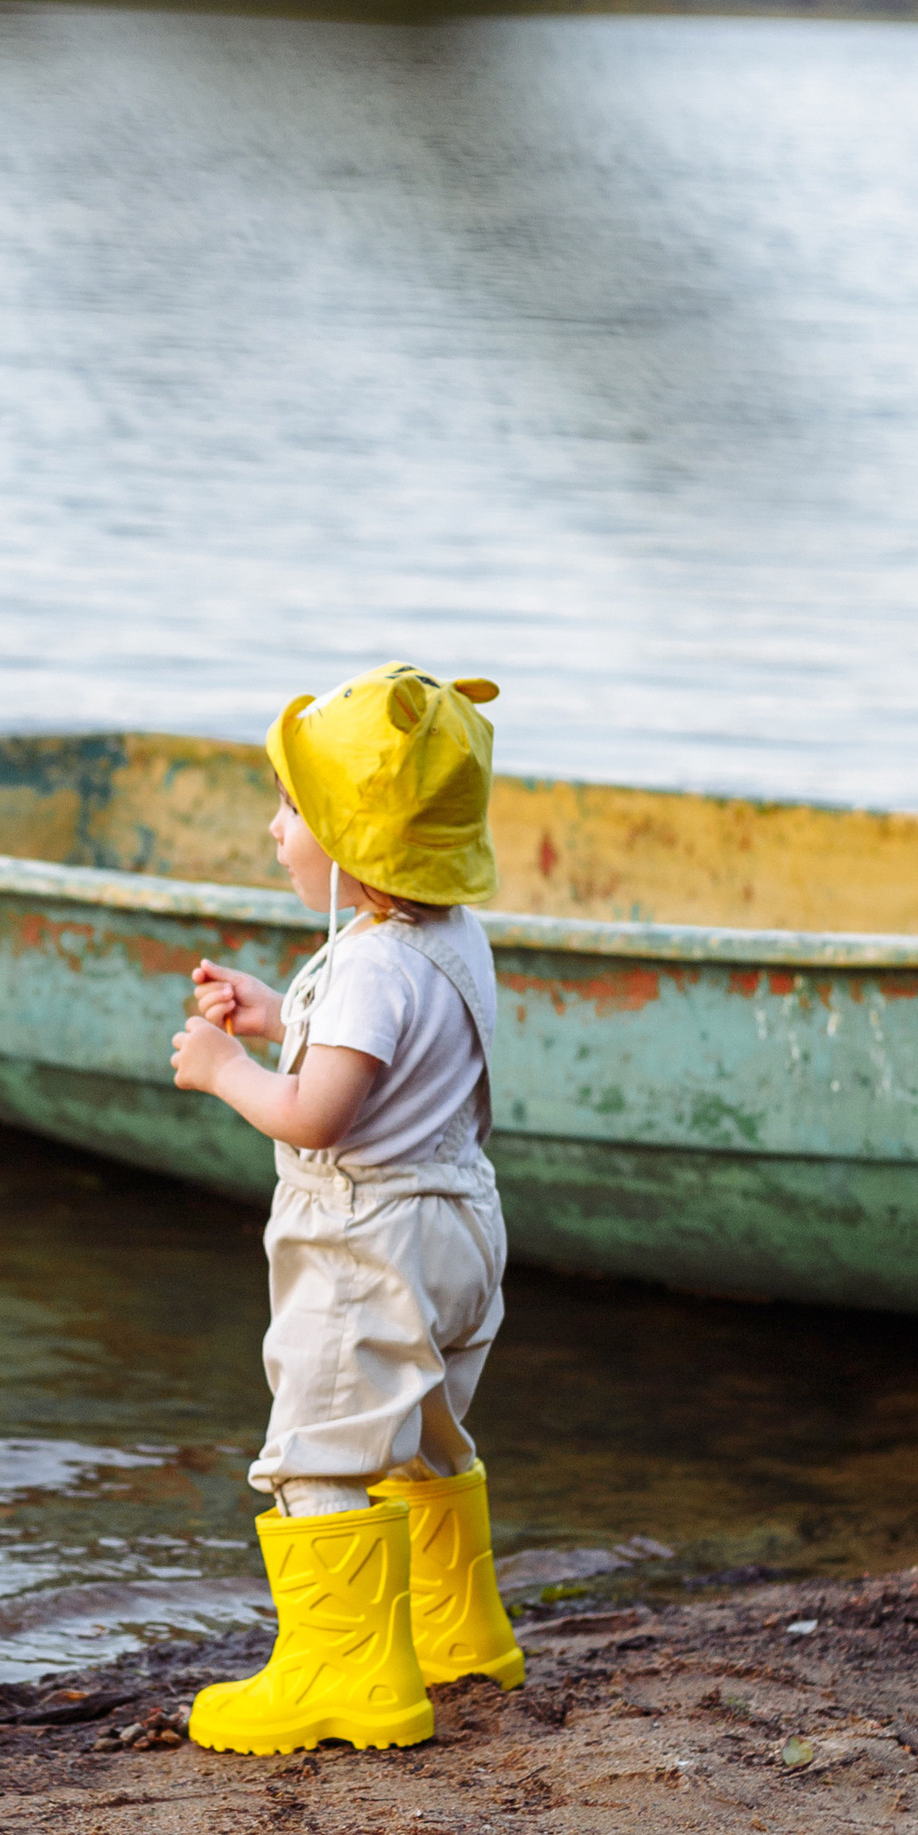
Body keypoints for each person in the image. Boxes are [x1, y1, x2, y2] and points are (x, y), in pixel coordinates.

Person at [167, 664, 525, 1754]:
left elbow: (319, 1115)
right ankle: (457, 1632)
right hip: (456, 1225)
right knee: (423, 1435)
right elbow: (394, 1065)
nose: (275, 830)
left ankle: (346, 1678)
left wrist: (227, 1067)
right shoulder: (448, 939)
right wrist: (283, 1015)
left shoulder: (368, 965)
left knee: (319, 1450)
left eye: (291, 809)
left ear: (354, 839)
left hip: (366, 1244)